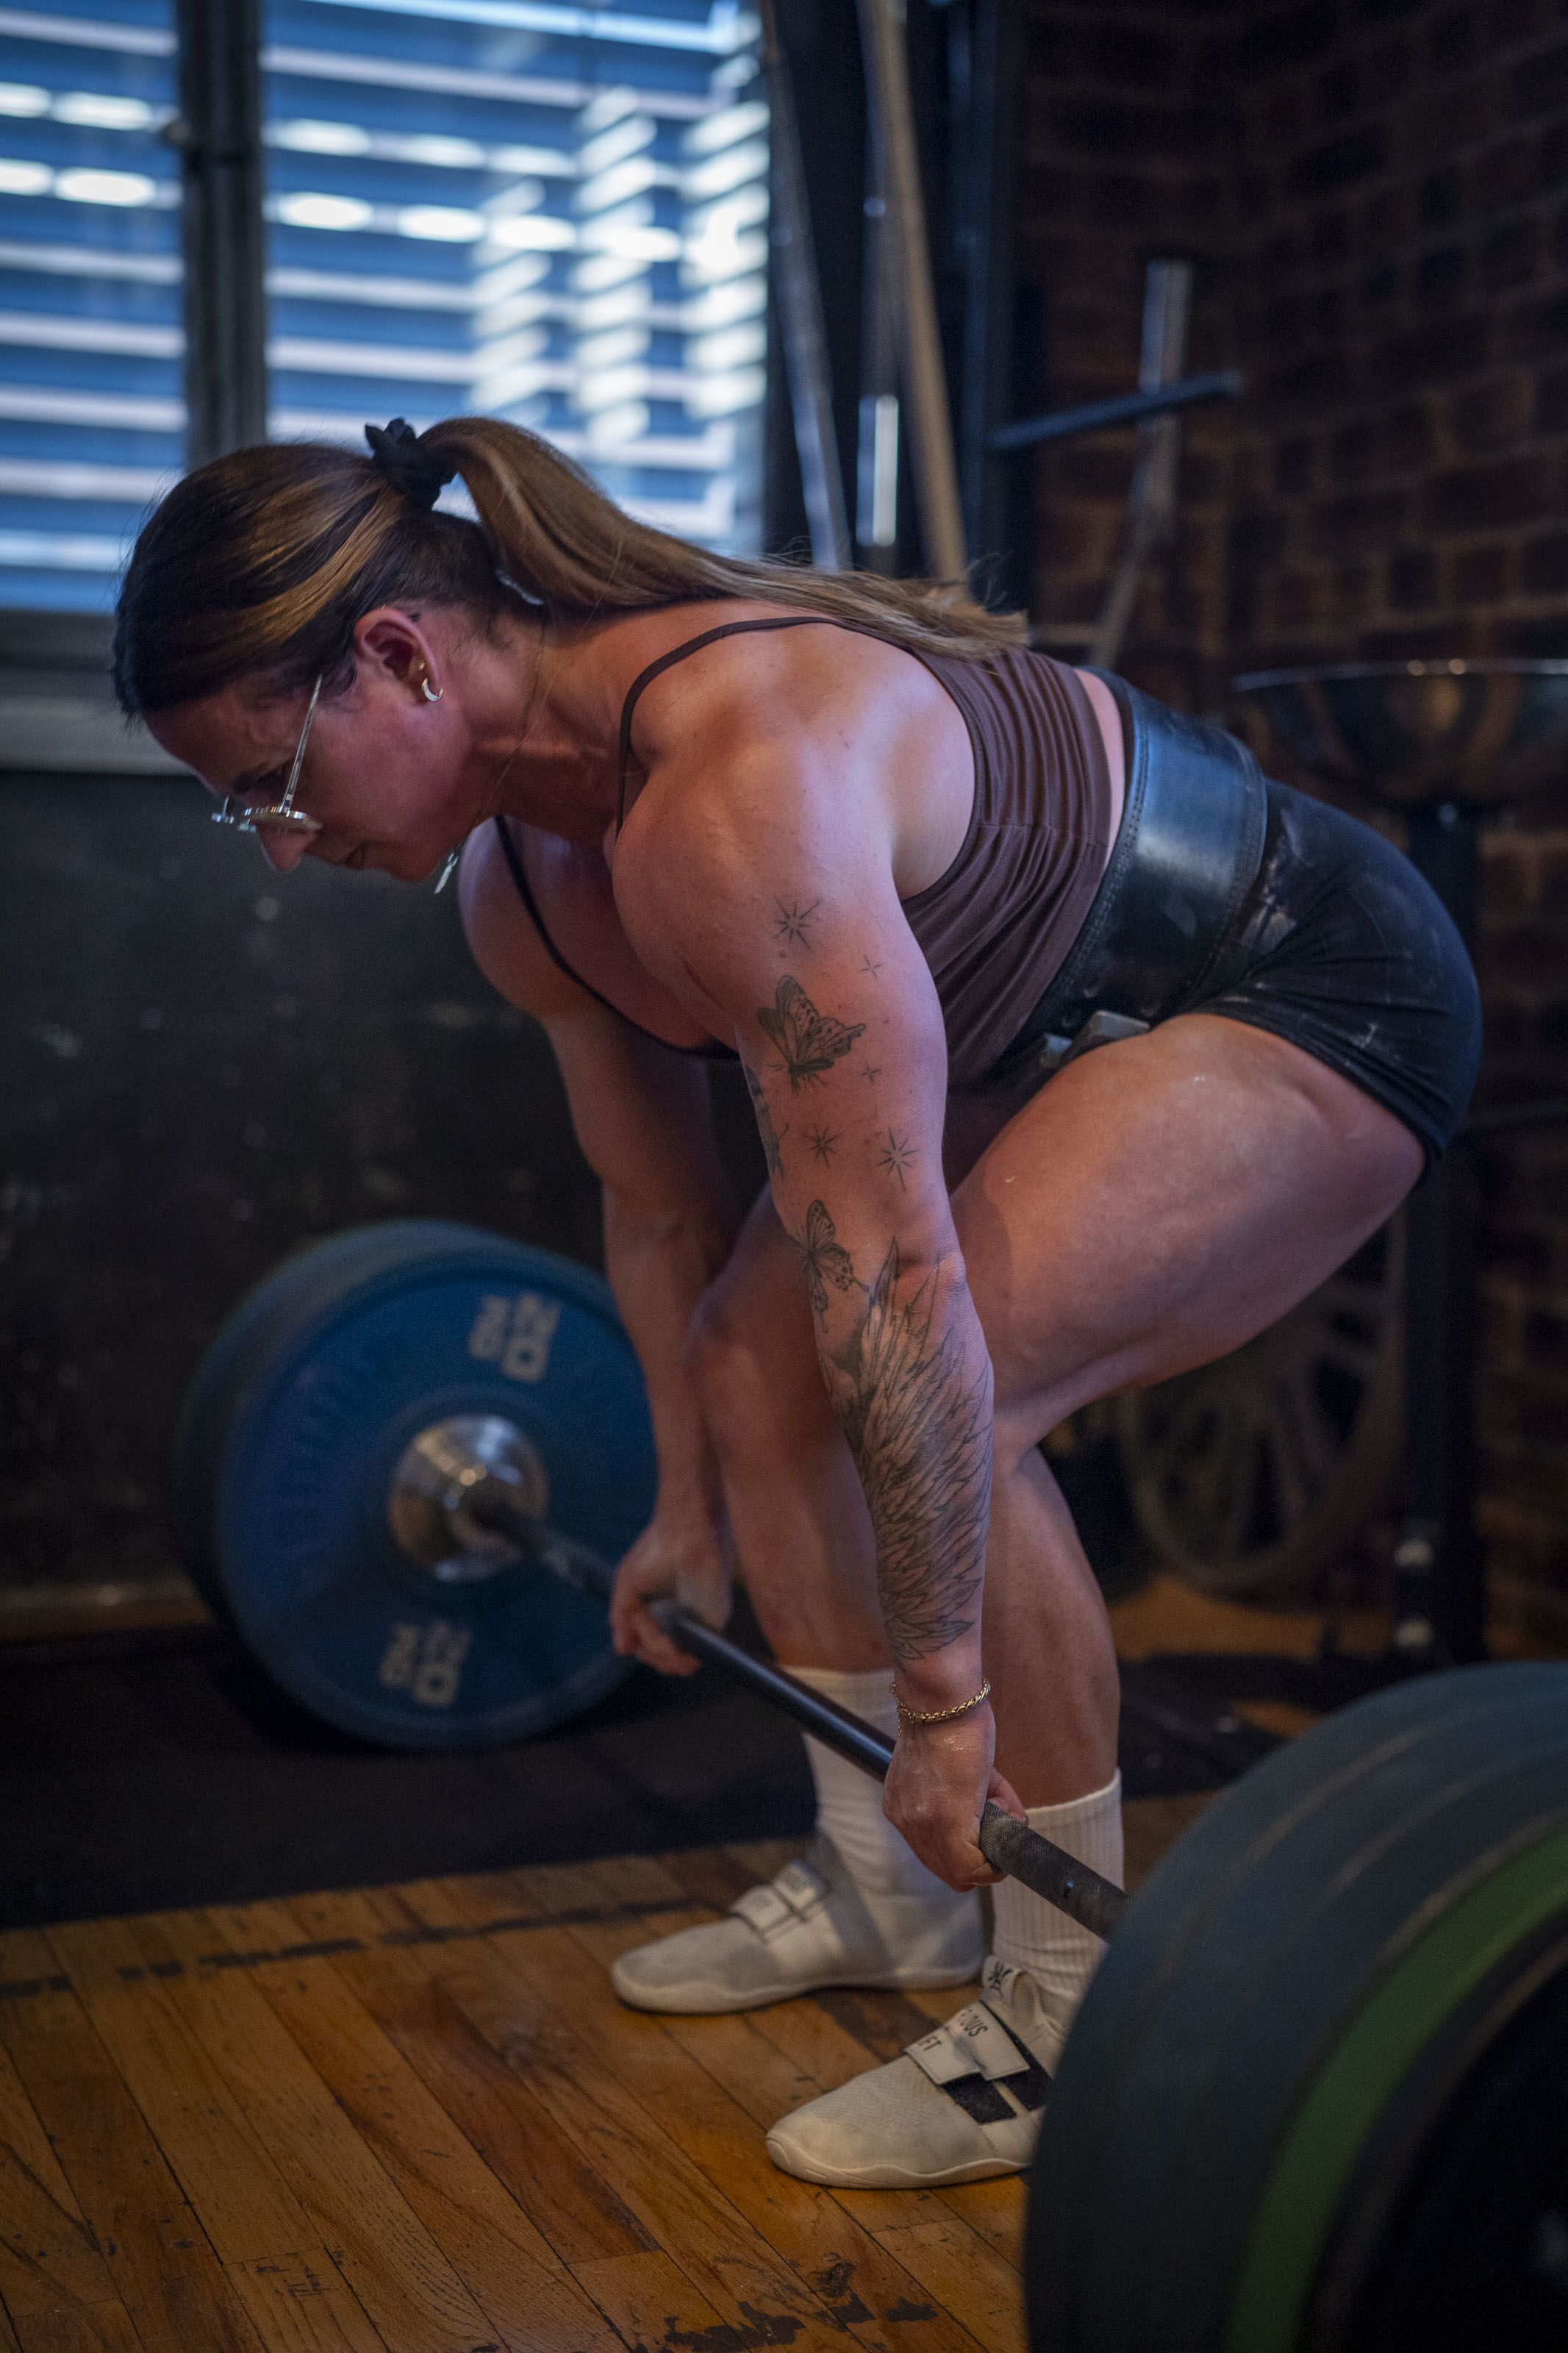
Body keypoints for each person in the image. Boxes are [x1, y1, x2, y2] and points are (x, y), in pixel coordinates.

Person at [115, 415, 1481, 2190]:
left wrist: (943, 1707)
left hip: (1295, 974)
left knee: (950, 1390)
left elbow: (904, 1300)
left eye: (272, 784)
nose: (283, 852)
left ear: (396, 654)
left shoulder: (735, 785)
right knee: (756, 1370)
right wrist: (683, 1513)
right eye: (244, 815)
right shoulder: (524, 889)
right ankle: (892, 1891)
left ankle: (1065, 2002)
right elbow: (664, 1219)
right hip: (1059, 1018)